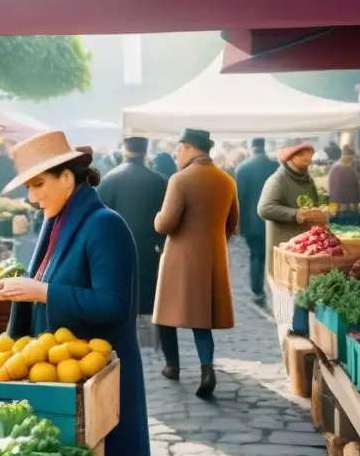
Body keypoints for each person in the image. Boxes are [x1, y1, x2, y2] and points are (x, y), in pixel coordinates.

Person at [0, 131, 154, 456]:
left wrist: (40, 293)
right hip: (65, 369)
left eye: (38, 184)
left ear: (68, 176)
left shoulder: (105, 225)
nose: (31, 196)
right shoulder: (58, 220)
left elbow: (115, 306)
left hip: (101, 370)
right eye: (29, 187)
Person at [152, 128, 238, 398]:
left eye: (178, 149)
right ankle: (206, 368)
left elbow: (165, 224)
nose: (176, 154)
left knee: (165, 314)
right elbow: (232, 224)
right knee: (202, 319)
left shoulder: (180, 180)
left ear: (189, 147)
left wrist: (156, 217)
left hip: (180, 256)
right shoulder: (226, 181)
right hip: (213, 256)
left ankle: (172, 366)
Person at [98, 136, 168, 316]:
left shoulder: (110, 179)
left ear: (124, 152)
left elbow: (100, 218)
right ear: (146, 153)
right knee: (147, 298)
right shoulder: (160, 180)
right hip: (150, 248)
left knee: (121, 294)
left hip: (117, 249)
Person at [257, 142, 319, 280]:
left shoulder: (308, 181)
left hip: (305, 249)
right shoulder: (277, 180)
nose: (307, 157)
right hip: (284, 247)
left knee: (303, 291)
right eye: (301, 154)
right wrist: (294, 214)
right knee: (284, 292)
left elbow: (315, 204)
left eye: (309, 154)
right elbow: (264, 208)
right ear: (290, 158)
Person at [234, 138, 278, 307]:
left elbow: (240, 199)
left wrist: (238, 224)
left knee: (256, 256)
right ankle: (273, 289)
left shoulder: (243, 168)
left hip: (251, 222)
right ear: (263, 147)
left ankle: (257, 291)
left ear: (251, 148)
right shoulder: (276, 167)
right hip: (274, 221)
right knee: (272, 256)